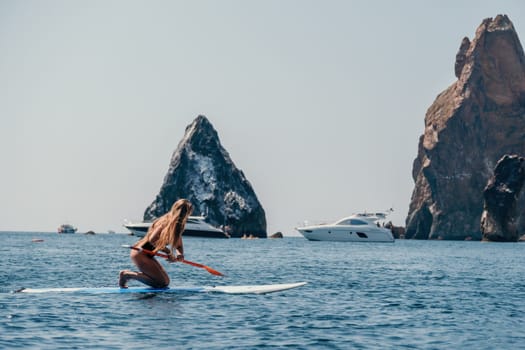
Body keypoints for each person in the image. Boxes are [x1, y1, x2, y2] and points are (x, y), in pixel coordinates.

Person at [119, 199, 193, 288]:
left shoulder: (176, 227)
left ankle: (129, 275)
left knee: (165, 282)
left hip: (147, 254)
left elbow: (179, 246)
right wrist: (168, 252)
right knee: (161, 283)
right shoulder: (165, 222)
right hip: (141, 253)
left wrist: (179, 254)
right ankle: (127, 275)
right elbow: (152, 240)